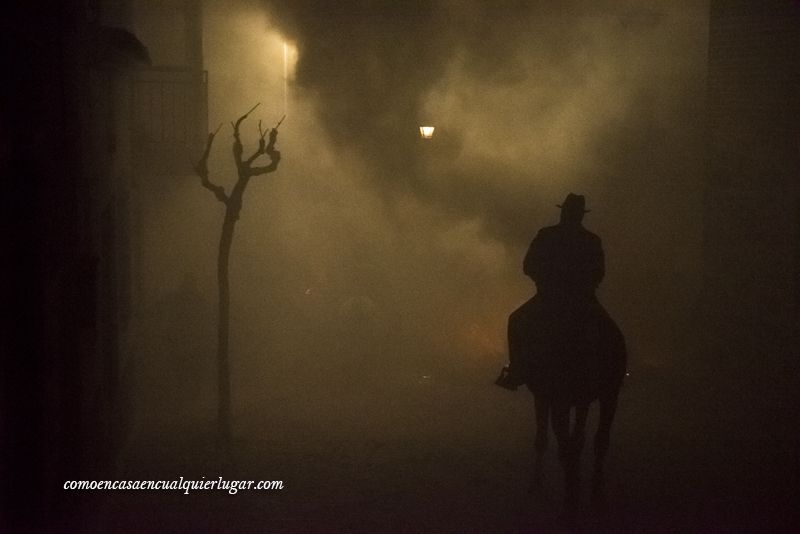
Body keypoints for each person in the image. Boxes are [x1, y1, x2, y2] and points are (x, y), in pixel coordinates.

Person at [497, 193, 605, 390]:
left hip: (549, 297)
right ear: (581, 215)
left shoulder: (546, 235)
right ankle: (608, 374)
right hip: (583, 300)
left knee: (515, 320)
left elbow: (528, 266)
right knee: (607, 331)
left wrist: (546, 281)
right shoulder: (591, 240)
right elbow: (599, 273)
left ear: (564, 212)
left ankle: (516, 371)